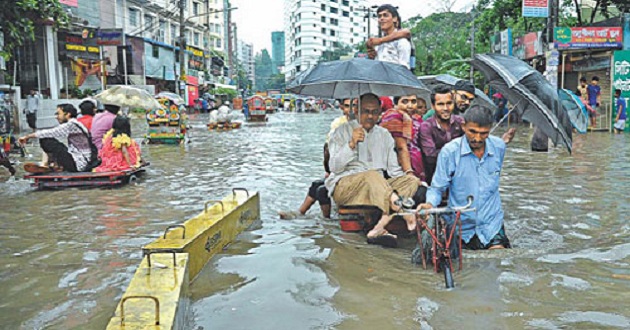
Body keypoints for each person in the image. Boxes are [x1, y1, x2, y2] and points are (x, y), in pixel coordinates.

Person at [326, 93, 421, 246]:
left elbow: (394, 171)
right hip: (346, 187)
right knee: (371, 175)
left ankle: (379, 226)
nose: (370, 116)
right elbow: (334, 168)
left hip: (378, 187)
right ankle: (404, 211)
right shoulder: (341, 132)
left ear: (380, 113)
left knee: (411, 180)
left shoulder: (384, 135)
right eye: (365, 111)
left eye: (374, 112)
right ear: (356, 111)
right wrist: (351, 144)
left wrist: (414, 181)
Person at [417, 105, 511, 250]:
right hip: (460, 225)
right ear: (463, 126)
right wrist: (429, 205)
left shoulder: (499, 146)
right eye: (472, 132)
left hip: (491, 223)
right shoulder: (450, 152)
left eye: (483, 133)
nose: (477, 138)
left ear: (490, 129)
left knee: (496, 261)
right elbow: (437, 188)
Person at [278, 98, 356, 220]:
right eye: (347, 106)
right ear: (342, 107)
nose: (351, 110)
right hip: (341, 168)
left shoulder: (362, 127)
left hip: (354, 172)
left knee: (322, 190)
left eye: (354, 106)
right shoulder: (339, 124)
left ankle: (327, 221)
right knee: (317, 184)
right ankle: (301, 212)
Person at [18, 104, 93, 173]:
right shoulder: (75, 124)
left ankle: (48, 165)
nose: (56, 117)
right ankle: (53, 164)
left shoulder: (71, 124)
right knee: (48, 139)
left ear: (68, 114)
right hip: (80, 160)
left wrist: (27, 137)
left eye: (58, 114)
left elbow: (51, 132)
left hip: (79, 165)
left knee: (46, 139)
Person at [419, 85, 465, 184]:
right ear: (433, 106)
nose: (446, 108)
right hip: (435, 177)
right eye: (440, 104)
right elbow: (430, 156)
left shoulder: (460, 122)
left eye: (449, 103)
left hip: (459, 176)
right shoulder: (426, 126)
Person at [380, 94, 425, 181]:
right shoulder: (393, 117)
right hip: (399, 168)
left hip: (416, 165)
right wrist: (409, 172)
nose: (410, 105)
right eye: (405, 101)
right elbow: (400, 147)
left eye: (413, 101)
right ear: (396, 104)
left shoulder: (414, 118)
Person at [366, 5, 411, 69]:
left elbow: (404, 69)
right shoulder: (378, 46)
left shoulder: (401, 42)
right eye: (379, 16)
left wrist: (380, 40)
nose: (381, 18)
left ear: (394, 19)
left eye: (385, 15)